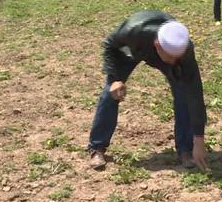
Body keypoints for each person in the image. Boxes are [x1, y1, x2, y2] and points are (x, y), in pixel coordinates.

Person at [87, 10, 208, 171]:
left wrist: (199, 138)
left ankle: (185, 149)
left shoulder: (183, 50)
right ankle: (97, 147)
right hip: (132, 50)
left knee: (183, 95)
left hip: (158, 49)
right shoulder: (132, 30)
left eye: (177, 57)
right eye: (171, 57)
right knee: (111, 93)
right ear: (158, 46)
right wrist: (116, 78)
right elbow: (110, 45)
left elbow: (195, 92)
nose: (174, 61)